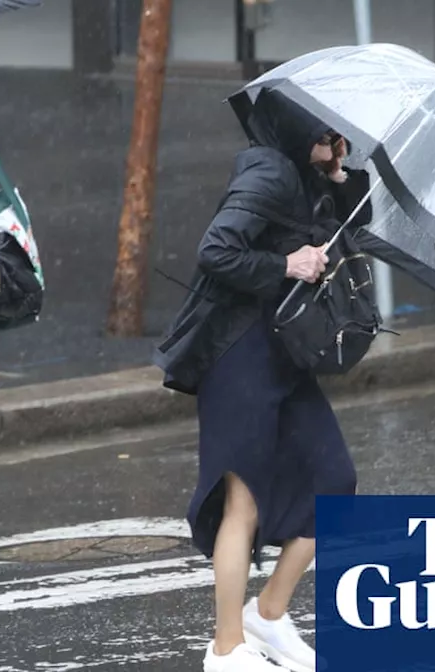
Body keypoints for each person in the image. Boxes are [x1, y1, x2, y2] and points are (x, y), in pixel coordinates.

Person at [153, 89, 372, 672]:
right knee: (243, 503)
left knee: (335, 482)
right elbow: (215, 250)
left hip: (284, 353)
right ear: (299, 132)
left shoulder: (307, 172)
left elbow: (354, 226)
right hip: (238, 354)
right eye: (325, 135)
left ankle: (268, 615)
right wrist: (286, 265)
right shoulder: (268, 172)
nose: (333, 143)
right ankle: (225, 649)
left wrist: (338, 172)